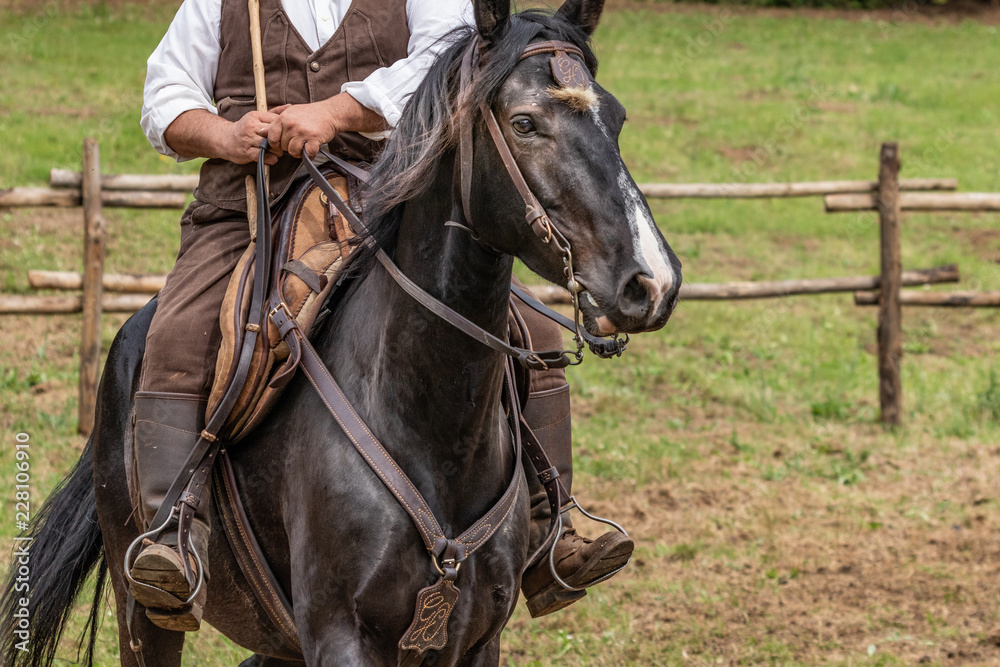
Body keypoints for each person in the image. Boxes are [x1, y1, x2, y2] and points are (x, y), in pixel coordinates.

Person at [132, 0, 633, 632]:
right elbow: (165, 94)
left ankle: (554, 520)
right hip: (249, 206)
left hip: (388, 198)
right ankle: (172, 532)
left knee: (530, 328)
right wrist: (223, 134)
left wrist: (333, 113)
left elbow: (447, 62)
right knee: (180, 332)